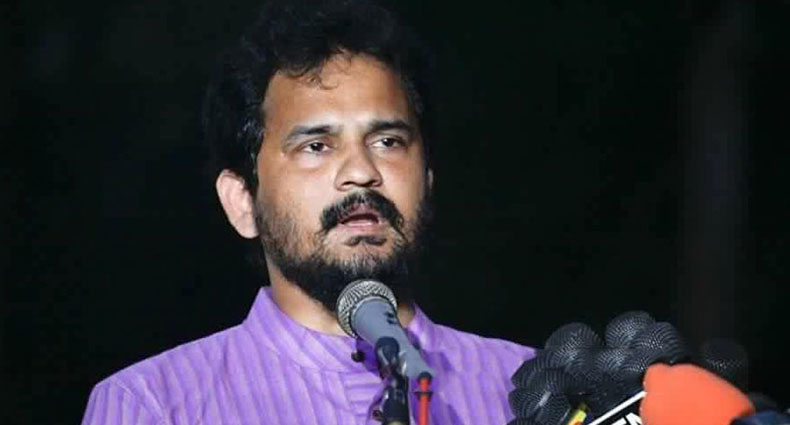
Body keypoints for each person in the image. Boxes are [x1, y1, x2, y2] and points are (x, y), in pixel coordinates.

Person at [81, 0, 534, 423]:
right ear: (242, 202)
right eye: (316, 146)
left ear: (428, 180)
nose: (361, 172)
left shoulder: (525, 389)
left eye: (387, 141)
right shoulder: (156, 405)